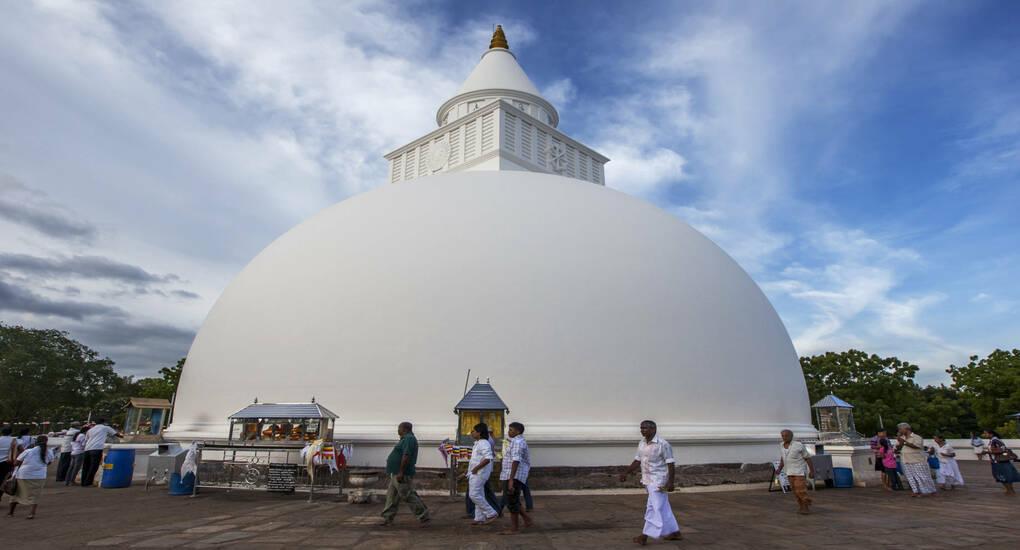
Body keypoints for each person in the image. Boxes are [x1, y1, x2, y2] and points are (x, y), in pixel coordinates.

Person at [619, 420, 682, 546]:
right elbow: (637, 460)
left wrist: (671, 483)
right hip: (647, 480)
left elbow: (671, 464)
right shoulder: (642, 443)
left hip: (659, 481)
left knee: (654, 508)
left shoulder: (663, 444)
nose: (642, 430)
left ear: (654, 429)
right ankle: (675, 532)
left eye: (645, 428)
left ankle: (645, 535)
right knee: (663, 507)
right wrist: (626, 472)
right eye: (641, 428)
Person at [380, 422, 430, 526]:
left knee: (407, 494)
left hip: (401, 473)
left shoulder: (409, 439)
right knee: (391, 496)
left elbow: (406, 455)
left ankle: (423, 514)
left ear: (405, 429)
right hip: (395, 473)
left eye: (399, 428)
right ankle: (388, 517)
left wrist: (401, 472)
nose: (398, 430)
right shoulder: (404, 439)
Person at [7, 435, 54, 519]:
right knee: (35, 495)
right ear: (46, 442)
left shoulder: (28, 451)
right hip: (39, 476)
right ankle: (31, 513)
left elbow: (15, 463)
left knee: (16, 494)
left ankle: (11, 513)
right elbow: (49, 463)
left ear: (36, 442)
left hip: (23, 475)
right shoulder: (49, 452)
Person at [499, 421, 533, 535]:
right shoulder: (516, 441)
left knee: (512, 502)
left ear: (518, 431)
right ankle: (527, 519)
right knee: (514, 500)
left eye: (511, 430)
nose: (508, 432)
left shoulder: (518, 442)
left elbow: (516, 460)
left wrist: (511, 479)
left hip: (513, 475)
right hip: (512, 474)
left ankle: (514, 528)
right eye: (509, 430)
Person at [464, 423, 498, 525]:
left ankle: (491, 513)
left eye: (473, 431)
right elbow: (476, 460)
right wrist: (469, 471)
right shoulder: (478, 443)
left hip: (480, 473)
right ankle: (479, 518)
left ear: (479, 433)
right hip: (476, 472)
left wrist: (476, 469)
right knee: (479, 494)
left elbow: (488, 458)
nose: (471, 433)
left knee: (473, 494)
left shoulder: (484, 443)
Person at [777, 429, 815, 514]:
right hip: (789, 471)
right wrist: (779, 468)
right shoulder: (781, 445)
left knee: (800, 490)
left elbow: (807, 458)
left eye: (786, 435)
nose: (784, 437)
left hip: (799, 471)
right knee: (795, 491)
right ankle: (801, 506)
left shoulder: (799, 445)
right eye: (782, 436)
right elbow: (783, 458)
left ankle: (806, 505)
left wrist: (812, 471)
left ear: (791, 436)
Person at [895, 423, 936, 497]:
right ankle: (916, 491)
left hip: (918, 460)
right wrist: (900, 442)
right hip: (906, 460)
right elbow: (898, 448)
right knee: (910, 477)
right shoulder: (901, 438)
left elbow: (916, 446)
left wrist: (904, 442)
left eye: (900, 429)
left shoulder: (917, 437)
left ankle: (931, 490)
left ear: (906, 429)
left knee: (923, 476)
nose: (899, 431)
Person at [81, 419, 121, 487]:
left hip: (87, 449)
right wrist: (123, 436)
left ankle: (83, 482)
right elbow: (116, 434)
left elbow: (86, 439)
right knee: (94, 466)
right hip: (97, 449)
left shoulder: (91, 429)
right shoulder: (105, 427)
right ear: (104, 422)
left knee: (86, 466)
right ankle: (88, 482)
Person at [979, 430, 1019, 496]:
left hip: (1000, 462)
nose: (984, 434)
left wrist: (987, 452)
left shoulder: (995, 440)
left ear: (991, 434)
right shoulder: (993, 440)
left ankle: (1010, 491)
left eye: (986, 433)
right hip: (999, 461)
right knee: (1005, 476)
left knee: (1003, 476)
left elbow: (1003, 449)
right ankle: (1010, 490)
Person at [0, 427, 17, 505]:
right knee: (4, 481)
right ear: (11, 433)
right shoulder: (13, 441)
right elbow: (15, 453)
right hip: (7, 463)